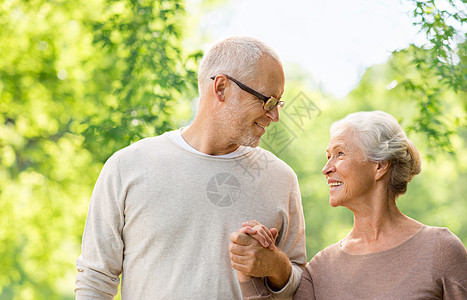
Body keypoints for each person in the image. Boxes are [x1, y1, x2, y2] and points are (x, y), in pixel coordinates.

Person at [75, 36, 306, 299]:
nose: (275, 116)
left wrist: (277, 266)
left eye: (279, 104)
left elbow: (301, 285)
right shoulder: (128, 166)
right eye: (267, 101)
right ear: (221, 88)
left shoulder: (281, 179)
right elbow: (94, 280)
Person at [238, 111, 467, 299]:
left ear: (379, 166)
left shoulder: (440, 249)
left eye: (340, 154)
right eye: (327, 157)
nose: (326, 169)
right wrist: (249, 269)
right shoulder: (321, 269)